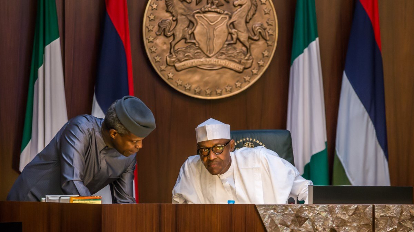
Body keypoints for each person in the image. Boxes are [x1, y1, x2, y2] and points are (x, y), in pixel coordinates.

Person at [7, 96, 156, 203]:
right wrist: (98, 216)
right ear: (114, 134)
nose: (139, 147)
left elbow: (125, 201)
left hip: (63, 212)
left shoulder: (128, 156)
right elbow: (71, 182)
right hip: (28, 202)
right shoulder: (81, 129)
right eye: (135, 141)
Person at [172, 118, 312, 204]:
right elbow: (178, 211)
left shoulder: (260, 159)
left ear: (231, 146)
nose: (211, 156)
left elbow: (307, 190)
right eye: (204, 150)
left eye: (219, 148)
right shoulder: (191, 168)